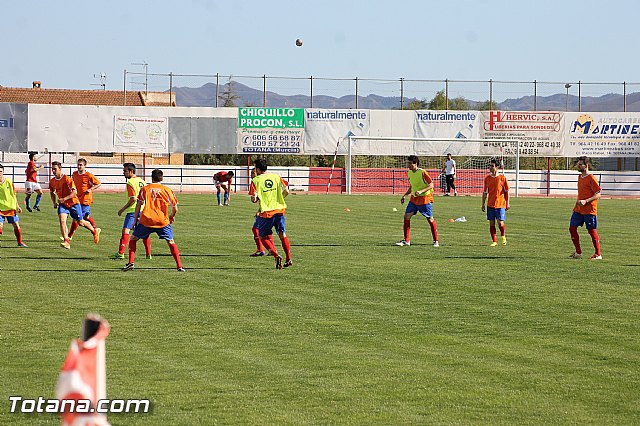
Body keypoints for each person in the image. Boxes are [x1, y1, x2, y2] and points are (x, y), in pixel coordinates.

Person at [123, 169, 184, 272]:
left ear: (152, 177)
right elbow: (175, 207)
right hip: (162, 221)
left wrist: (134, 221)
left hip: (147, 220)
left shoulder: (145, 189)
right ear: (162, 178)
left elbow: (139, 204)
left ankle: (131, 263)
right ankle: (179, 266)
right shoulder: (167, 190)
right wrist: (171, 216)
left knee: (133, 239)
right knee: (170, 241)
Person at [250, 159, 292, 269]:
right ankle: (288, 258)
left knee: (262, 236)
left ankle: (276, 255)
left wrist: (255, 199)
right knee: (282, 235)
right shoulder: (276, 177)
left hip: (266, 213)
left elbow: (254, 198)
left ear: (258, 169)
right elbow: (287, 191)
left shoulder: (256, 181)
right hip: (279, 211)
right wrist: (278, 200)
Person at [49, 161, 100, 249]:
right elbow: (52, 192)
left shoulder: (67, 179)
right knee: (62, 220)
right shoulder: (52, 181)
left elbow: (74, 192)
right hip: (63, 205)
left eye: (55, 169)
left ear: (60, 169)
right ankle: (66, 241)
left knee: (81, 222)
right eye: (52, 169)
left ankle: (94, 230)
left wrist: (64, 199)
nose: (53, 171)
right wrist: (54, 202)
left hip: (74, 203)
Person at [396, 155, 439, 247]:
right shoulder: (410, 173)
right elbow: (412, 186)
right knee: (407, 216)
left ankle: (436, 241)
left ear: (415, 163)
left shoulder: (422, 172)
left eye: (410, 163)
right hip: (414, 199)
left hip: (425, 199)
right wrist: (405, 195)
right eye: (408, 163)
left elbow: (431, 185)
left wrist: (421, 191)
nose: (408, 165)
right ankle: (407, 241)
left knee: (430, 219)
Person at [112, 163, 151, 259]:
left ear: (131, 171)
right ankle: (148, 254)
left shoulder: (130, 182)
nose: (123, 173)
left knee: (126, 230)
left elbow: (133, 198)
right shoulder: (142, 181)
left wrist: (122, 209)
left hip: (134, 210)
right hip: (143, 210)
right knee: (144, 232)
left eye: (125, 171)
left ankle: (121, 253)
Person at [569, 156, 602, 260]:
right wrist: (577, 203)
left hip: (589, 209)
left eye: (580, 164)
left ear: (586, 165)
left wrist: (586, 201)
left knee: (591, 231)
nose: (578, 166)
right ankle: (578, 252)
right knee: (572, 228)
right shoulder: (580, 177)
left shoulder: (591, 178)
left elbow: (598, 194)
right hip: (578, 209)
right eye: (578, 164)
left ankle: (598, 254)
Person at [68, 158, 101, 240]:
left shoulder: (89, 175)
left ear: (84, 165)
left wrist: (90, 189)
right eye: (78, 164)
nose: (79, 166)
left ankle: (69, 236)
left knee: (77, 218)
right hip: (77, 199)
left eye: (80, 165)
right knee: (86, 217)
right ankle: (95, 229)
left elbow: (98, 184)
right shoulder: (74, 174)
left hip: (85, 200)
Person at [481, 158, 510, 247]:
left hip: (500, 204)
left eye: (492, 166)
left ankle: (503, 236)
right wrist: (483, 204)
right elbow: (485, 192)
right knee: (491, 223)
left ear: (497, 168)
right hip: (490, 204)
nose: (490, 168)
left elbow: (507, 191)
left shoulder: (502, 178)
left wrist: (507, 203)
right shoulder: (487, 178)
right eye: (490, 166)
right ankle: (494, 241)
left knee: (500, 223)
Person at [0, 163, 28, 247]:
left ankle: (20, 242)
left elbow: (14, 194)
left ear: (3, 172)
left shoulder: (8, 182)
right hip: (0, 208)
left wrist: (17, 206)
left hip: (10, 207)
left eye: (0, 171)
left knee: (16, 225)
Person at [249, 167, 266, 257]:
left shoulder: (256, 182)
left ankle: (260, 249)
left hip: (266, 210)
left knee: (255, 229)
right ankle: (271, 250)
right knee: (266, 231)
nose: (251, 175)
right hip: (275, 209)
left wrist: (259, 210)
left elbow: (255, 199)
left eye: (253, 173)